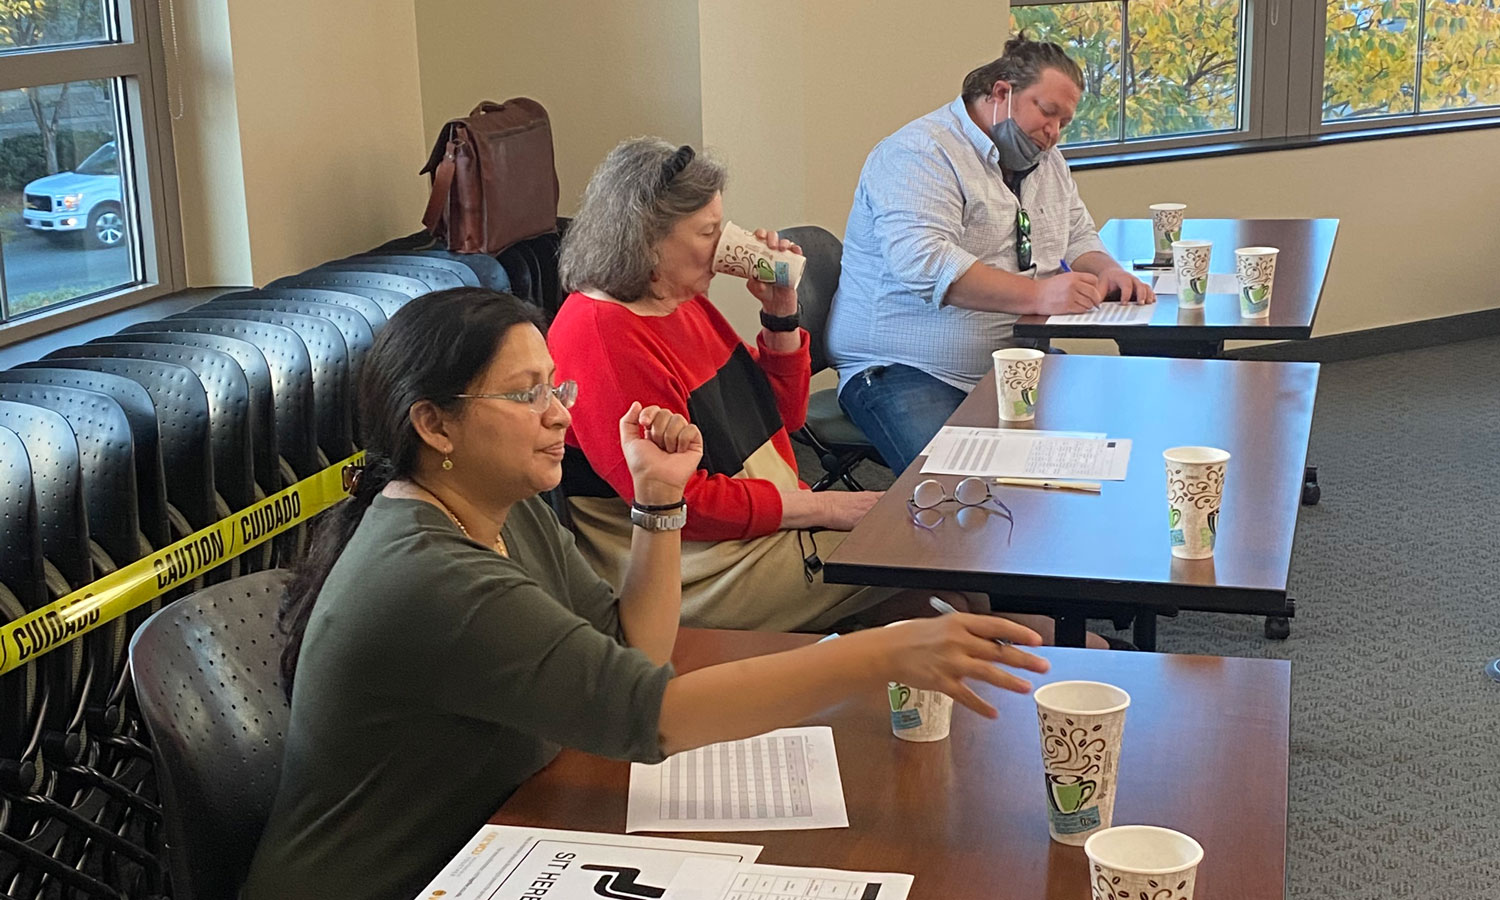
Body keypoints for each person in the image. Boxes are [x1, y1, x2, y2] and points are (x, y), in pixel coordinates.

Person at [240, 288, 1050, 900]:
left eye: (557, 388)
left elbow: (633, 646)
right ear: (435, 426)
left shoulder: (497, 511)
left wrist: (659, 500)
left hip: (487, 845)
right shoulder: (431, 574)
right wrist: (880, 654)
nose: (559, 415)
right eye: (525, 395)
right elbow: (657, 715)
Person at [549, 137, 1016, 633]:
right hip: (700, 567)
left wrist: (780, 314)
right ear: (647, 240)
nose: (726, 244)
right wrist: (825, 506)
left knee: (952, 593)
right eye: (709, 231)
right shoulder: (601, 335)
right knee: (937, 555)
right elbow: (682, 504)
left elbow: (781, 418)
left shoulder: (678, 302)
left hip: (761, 525)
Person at [826, 34, 1156, 475]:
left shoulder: (1046, 159)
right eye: (1047, 113)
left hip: (1013, 360)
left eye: (1065, 122)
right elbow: (924, 263)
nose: (1054, 133)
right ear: (1002, 93)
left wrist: (1108, 270)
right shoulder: (919, 153)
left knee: (1109, 447)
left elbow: (1076, 233)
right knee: (962, 493)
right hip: (905, 368)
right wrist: (1039, 296)